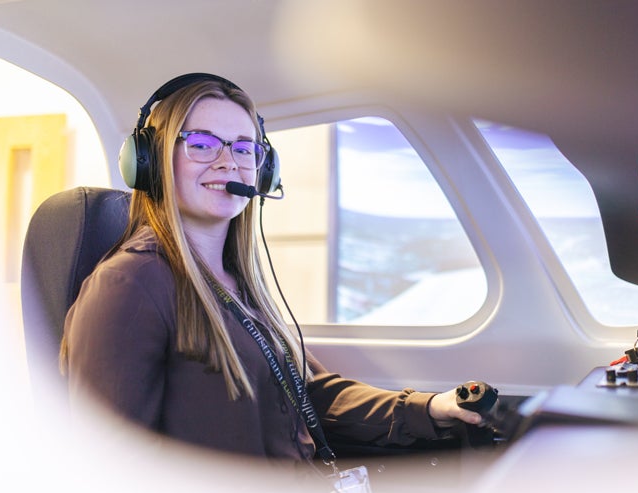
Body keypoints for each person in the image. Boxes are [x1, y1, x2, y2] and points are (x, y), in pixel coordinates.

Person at [59, 73, 481, 465]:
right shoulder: (129, 285)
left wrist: (428, 408)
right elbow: (111, 469)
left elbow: (309, 393)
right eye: (203, 144)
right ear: (149, 161)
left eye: (245, 148)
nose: (230, 162)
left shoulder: (237, 283)